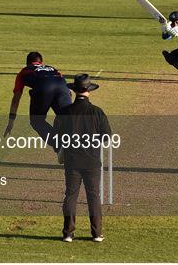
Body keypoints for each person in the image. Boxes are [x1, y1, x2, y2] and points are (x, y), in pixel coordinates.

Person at [53, 73, 111, 243]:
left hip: (72, 160)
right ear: (89, 91)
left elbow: (56, 136)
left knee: (70, 195)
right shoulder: (97, 112)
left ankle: (68, 233)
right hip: (92, 161)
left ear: (75, 91)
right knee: (94, 196)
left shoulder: (65, 112)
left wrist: (61, 151)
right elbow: (106, 137)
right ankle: (97, 233)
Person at [3, 51, 71, 147]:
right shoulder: (53, 69)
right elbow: (67, 90)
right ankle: (75, 145)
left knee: (37, 121)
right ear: (41, 62)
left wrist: (11, 121)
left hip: (44, 87)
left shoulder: (24, 71)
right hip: (63, 87)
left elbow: (16, 98)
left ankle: (59, 146)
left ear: (27, 63)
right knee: (68, 119)